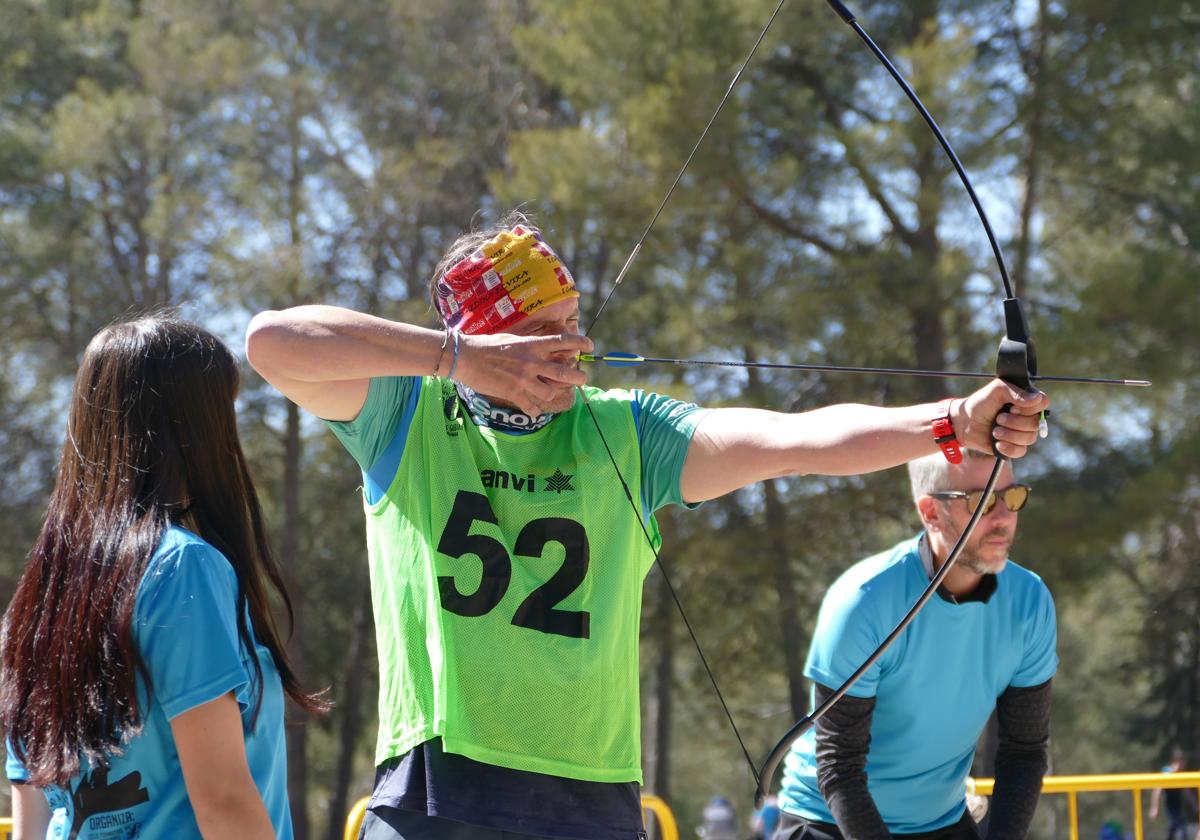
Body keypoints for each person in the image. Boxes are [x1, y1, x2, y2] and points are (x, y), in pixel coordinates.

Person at [245, 211, 1049, 840]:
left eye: (575, 323)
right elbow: (270, 343)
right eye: (543, 332)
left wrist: (953, 421)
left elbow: (798, 441)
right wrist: (455, 359)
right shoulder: (405, 415)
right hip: (437, 790)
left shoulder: (630, 431)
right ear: (481, 334)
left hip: (591, 793)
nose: (573, 348)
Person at [1, 316, 325, 839]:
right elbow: (221, 798)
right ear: (195, 427)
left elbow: (31, 825)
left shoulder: (35, 601)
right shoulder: (181, 568)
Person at [772, 450, 1057, 840]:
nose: (1003, 517)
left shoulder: (1031, 601)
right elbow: (839, 767)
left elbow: (1024, 751)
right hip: (829, 821)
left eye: (1012, 497)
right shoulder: (862, 600)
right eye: (982, 501)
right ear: (931, 512)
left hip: (940, 822)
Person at [1149, 748, 1196, 840]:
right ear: (1176, 762)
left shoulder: (1181, 775)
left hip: (1178, 805)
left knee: (1175, 826)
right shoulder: (1167, 773)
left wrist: (1195, 804)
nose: (1184, 765)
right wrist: (1154, 808)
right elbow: (1157, 791)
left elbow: (1187, 792)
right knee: (1180, 826)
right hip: (1170, 805)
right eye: (1182, 762)